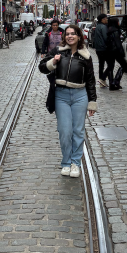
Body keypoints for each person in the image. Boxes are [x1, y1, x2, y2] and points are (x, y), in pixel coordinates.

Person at [39, 24, 96, 178]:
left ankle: (75, 163)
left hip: (80, 95)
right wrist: (53, 62)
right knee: (65, 131)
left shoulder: (85, 56)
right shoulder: (57, 51)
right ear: (64, 37)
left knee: (78, 131)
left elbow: (90, 80)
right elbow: (42, 67)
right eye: (68, 34)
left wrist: (92, 101)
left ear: (79, 37)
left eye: (73, 34)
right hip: (61, 96)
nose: (70, 36)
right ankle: (66, 162)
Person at [105, 16, 127, 90]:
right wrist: (121, 52)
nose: (119, 22)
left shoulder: (108, 30)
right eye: (118, 21)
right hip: (115, 51)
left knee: (110, 67)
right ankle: (116, 81)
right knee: (124, 65)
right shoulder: (115, 31)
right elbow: (117, 43)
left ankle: (111, 84)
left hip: (108, 51)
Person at [93, 14, 109, 88]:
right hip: (104, 48)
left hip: (98, 48)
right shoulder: (103, 27)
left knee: (101, 65)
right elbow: (106, 38)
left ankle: (101, 80)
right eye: (106, 18)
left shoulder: (97, 26)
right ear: (102, 19)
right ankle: (103, 78)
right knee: (110, 65)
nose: (107, 20)